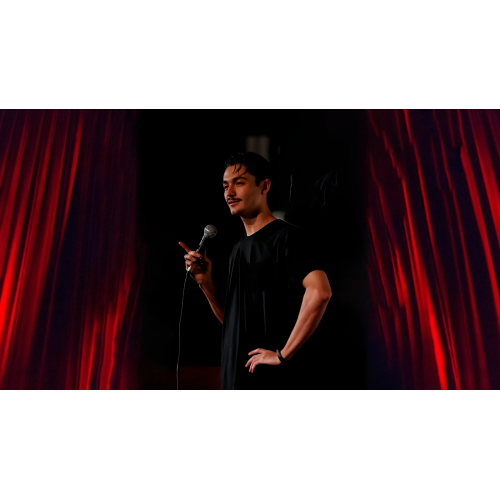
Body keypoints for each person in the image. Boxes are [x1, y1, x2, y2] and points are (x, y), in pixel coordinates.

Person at [179, 152, 332, 389]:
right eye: (225, 186)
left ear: (264, 186)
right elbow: (233, 322)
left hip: (270, 381)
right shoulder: (237, 249)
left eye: (239, 183)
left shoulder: (287, 237)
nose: (229, 193)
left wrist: (283, 355)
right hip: (236, 377)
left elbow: (320, 292)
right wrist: (205, 284)